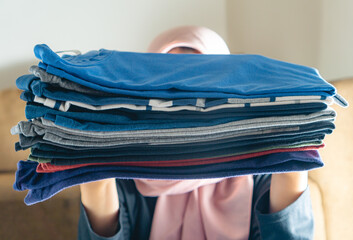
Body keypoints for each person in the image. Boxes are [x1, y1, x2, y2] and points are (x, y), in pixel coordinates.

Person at [78, 26, 314, 240]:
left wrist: (293, 141)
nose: (183, 98)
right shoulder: (127, 173)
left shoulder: (259, 167)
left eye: (199, 81)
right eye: (167, 83)